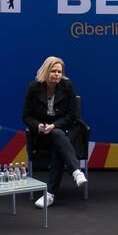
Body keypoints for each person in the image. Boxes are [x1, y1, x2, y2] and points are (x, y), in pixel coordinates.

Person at [21, 55, 88, 209]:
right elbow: (26, 116)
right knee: (57, 139)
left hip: (66, 131)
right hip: (42, 135)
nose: (57, 74)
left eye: (59, 71)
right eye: (54, 71)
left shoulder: (67, 86)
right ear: (46, 72)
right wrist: (39, 126)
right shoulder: (34, 87)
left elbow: (73, 116)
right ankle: (76, 171)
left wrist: (55, 125)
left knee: (58, 137)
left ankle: (50, 194)